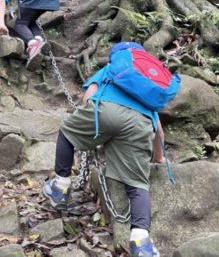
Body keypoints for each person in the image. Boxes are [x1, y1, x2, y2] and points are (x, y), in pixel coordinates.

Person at [41, 43, 177, 257]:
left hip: (106, 111)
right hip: (140, 125)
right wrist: (159, 158)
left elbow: (88, 99)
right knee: (137, 183)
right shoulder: (147, 87)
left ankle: (60, 187)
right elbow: (159, 131)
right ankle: (141, 242)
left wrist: (95, 129)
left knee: (67, 131)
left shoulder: (111, 70)